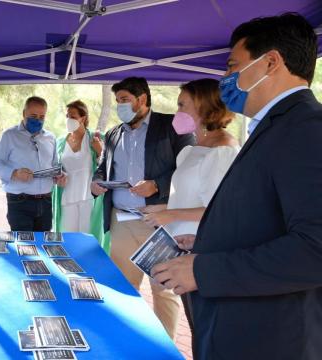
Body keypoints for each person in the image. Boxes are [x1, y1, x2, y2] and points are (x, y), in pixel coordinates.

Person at [151, 13, 322, 359]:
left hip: (269, 337)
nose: (226, 78)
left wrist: (204, 269)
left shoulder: (307, 128)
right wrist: (212, 240)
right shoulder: (277, 126)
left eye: (232, 66)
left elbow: (315, 250)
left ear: (271, 62)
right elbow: (268, 215)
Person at [91, 77, 195, 338]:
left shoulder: (170, 126)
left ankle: (164, 348)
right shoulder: (114, 133)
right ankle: (123, 343)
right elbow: (103, 167)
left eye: (125, 100)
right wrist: (96, 182)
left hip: (159, 222)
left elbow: (190, 168)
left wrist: (157, 185)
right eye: (117, 102)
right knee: (122, 288)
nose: (120, 106)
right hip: (121, 222)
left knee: (164, 289)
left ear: (143, 99)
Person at [140, 78, 239, 339]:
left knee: (206, 329)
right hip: (180, 247)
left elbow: (220, 210)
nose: (177, 112)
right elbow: (188, 197)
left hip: (204, 252)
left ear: (206, 107)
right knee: (197, 324)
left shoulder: (222, 150)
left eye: (183, 105)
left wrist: (170, 214)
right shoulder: (195, 148)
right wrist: (161, 208)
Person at [0, 96, 66, 231]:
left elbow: (54, 165)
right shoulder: (9, 135)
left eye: (42, 116)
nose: (38, 120)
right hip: (20, 202)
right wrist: (14, 173)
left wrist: (58, 175)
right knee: (24, 248)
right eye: (33, 116)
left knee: (43, 247)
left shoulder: (50, 138)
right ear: (24, 114)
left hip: (46, 202)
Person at [52, 100, 107, 250]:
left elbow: (107, 167)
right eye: (67, 115)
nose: (69, 119)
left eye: (73, 116)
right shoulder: (60, 142)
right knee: (67, 243)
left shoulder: (96, 138)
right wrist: (58, 175)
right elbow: (55, 168)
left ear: (83, 118)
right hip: (67, 198)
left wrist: (100, 151)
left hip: (88, 199)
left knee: (87, 244)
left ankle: (88, 273)